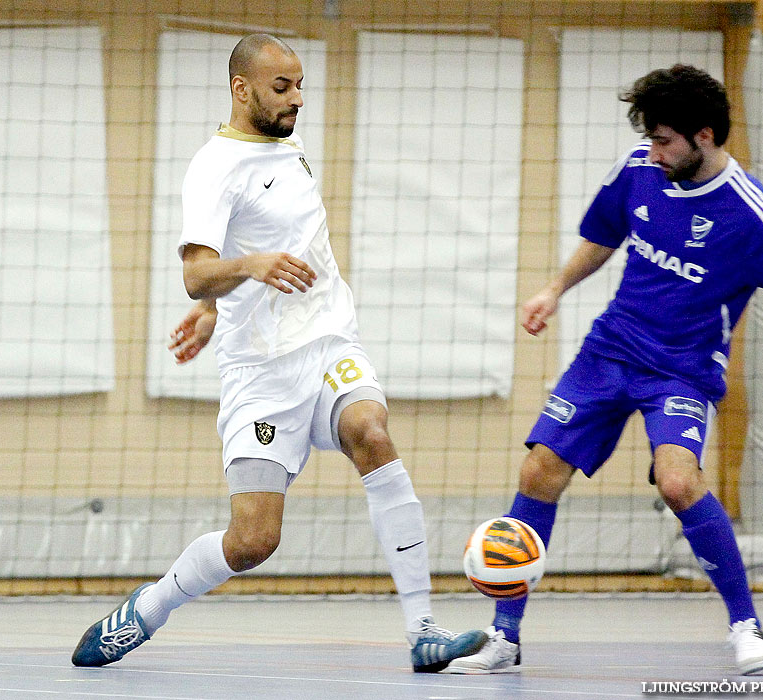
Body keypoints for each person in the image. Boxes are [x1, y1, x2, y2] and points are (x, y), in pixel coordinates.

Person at [71, 33, 486, 673]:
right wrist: (238, 279)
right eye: (281, 88)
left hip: (326, 344)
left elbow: (261, 244)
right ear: (242, 89)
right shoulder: (213, 167)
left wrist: (215, 307)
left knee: (370, 430)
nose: (296, 100)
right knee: (253, 542)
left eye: (299, 86)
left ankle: (423, 629)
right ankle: (148, 609)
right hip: (261, 375)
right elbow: (196, 272)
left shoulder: (284, 142)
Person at [442, 64, 763, 676]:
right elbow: (604, 236)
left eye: (665, 140)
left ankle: (746, 627)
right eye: (651, 139)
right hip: (609, 350)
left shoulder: (755, 217)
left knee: (679, 482)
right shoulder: (640, 168)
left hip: (681, 373)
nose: (653, 151)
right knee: (539, 468)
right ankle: (506, 638)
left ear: (705, 137)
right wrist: (554, 288)